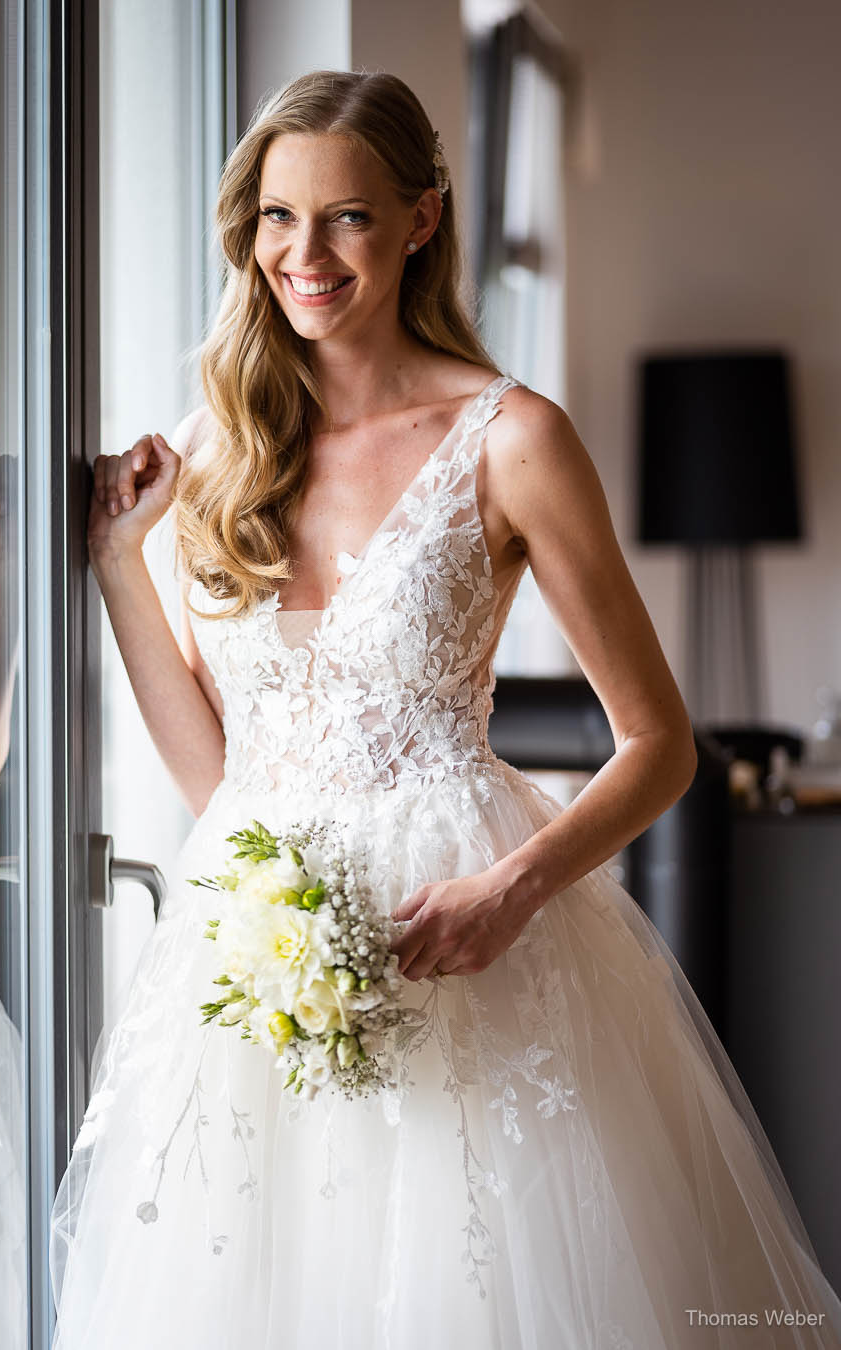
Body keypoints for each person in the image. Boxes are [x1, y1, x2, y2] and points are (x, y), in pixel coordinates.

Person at [52, 68, 841, 1348]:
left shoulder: (511, 438)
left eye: (348, 218)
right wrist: (113, 564)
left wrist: (511, 891)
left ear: (421, 220)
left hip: (466, 946)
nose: (305, 256)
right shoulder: (218, 445)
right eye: (276, 219)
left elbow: (661, 746)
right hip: (249, 970)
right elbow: (222, 786)